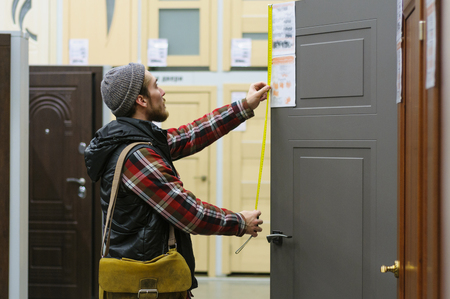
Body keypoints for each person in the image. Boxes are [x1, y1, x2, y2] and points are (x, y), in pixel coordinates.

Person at [84, 62, 270, 298]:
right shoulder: (138, 156)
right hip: (149, 285)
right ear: (141, 100)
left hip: (149, 280)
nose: (162, 92)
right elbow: (189, 214)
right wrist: (239, 222)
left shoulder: (138, 141)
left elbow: (192, 134)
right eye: (156, 87)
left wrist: (244, 106)